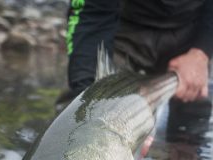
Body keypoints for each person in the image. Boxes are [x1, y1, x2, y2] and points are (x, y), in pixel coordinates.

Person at [66, 0, 213, 102]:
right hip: (125, 29)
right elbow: (92, 14)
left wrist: (201, 53)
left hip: (193, 29)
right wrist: (86, 94)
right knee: (77, 101)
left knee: (195, 110)